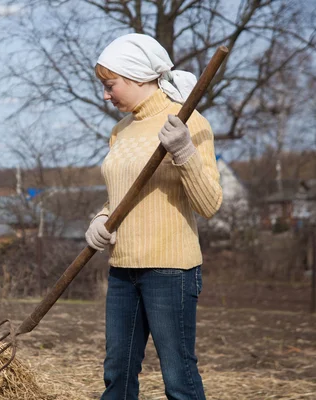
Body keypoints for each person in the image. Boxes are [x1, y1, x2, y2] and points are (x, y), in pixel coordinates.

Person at [85, 33, 223, 400]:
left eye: (110, 85)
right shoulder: (120, 131)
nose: (106, 95)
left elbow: (209, 204)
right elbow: (119, 193)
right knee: (117, 373)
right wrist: (101, 219)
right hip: (122, 270)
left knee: (178, 377)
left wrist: (184, 152)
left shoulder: (189, 122)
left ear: (137, 77)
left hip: (171, 270)